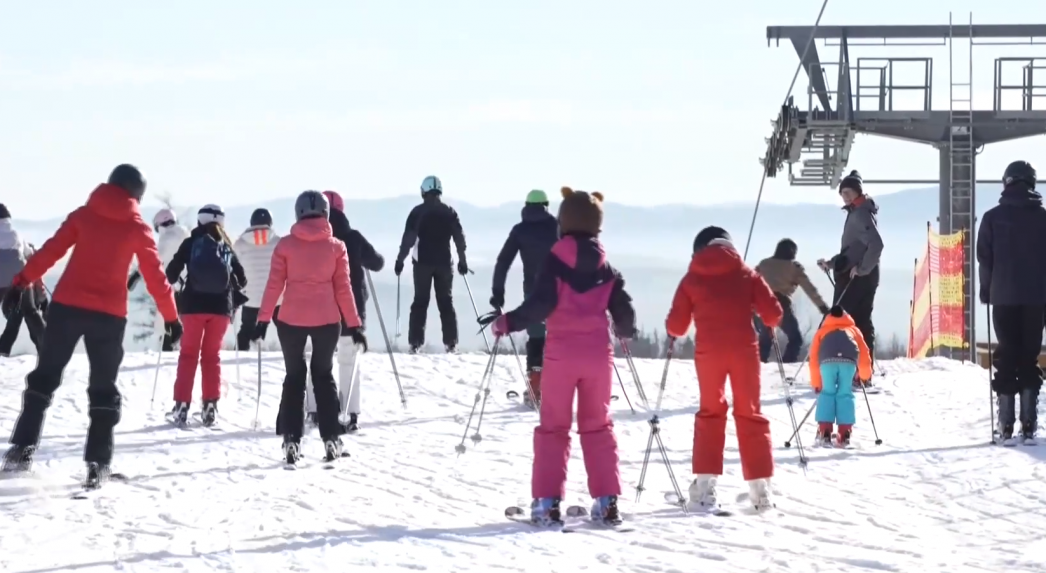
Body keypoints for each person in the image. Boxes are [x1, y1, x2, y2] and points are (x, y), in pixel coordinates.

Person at [0, 164, 182, 485]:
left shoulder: (83, 216)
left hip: (66, 308)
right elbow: (155, 277)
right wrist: (171, 318)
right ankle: (98, 466)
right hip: (109, 318)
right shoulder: (137, 228)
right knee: (103, 388)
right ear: (136, 196)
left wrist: (21, 283)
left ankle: (21, 451)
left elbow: (50, 251)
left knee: (44, 378)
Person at [483, 187, 636, 526]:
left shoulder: (555, 259)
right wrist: (626, 331)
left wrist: (507, 322)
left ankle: (547, 505)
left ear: (563, 221)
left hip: (561, 356)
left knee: (554, 428)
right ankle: (607, 503)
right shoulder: (604, 264)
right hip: (598, 357)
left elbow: (540, 305)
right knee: (598, 427)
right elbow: (623, 312)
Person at [665, 226, 782, 513]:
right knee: (749, 412)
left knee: (711, 411)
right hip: (745, 351)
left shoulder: (692, 277)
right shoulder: (748, 275)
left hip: (709, 353)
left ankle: (704, 489)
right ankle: (760, 490)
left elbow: (676, 326)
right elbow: (774, 315)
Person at [251, 191, 364, 464]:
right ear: (325, 213)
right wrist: (355, 325)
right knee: (323, 376)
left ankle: (291, 439)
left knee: (294, 377)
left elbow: (274, 285)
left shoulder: (286, 246)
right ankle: (331, 439)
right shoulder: (336, 247)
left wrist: (263, 320)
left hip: (290, 320)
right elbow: (344, 290)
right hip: (327, 321)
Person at [977, 160, 1046, 444]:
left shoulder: (992, 217)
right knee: (1029, 355)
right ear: (1031, 183)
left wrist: (986, 290)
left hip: (1003, 296)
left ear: (1007, 182)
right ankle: (1028, 422)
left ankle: (1004, 423)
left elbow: (985, 259)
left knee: (1006, 354)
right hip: (1037, 298)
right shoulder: (1044, 218)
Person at [303, 191, 383, 432]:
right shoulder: (353, 238)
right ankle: (350, 413)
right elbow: (377, 263)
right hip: (352, 311)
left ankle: (315, 410)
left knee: (318, 360)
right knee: (349, 361)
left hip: (320, 310)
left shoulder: (312, 239)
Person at [164, 204, 247, 427]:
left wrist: (181, 282)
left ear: (200, 221)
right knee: (211, 356)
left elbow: (170, 273)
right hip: (221, 309)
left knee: (188, 355)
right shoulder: (226, 246)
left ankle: (182, 405)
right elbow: (243, 279)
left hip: (193, 307)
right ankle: (210, 404)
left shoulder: (191, 242)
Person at [490, 189, 559, 408]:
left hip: (533, 292)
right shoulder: (558, 227)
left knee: (536, 336)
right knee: (559, 336)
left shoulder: (520, 230)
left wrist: (497, 294)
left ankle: (535, 385)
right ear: (546, 205)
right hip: (560, 291)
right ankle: (560, 385)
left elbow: (503, 262)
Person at [816, 170, 883, 391]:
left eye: (847, 191)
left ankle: (841, 370)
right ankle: (862, 372)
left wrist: (861, 269)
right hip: (860, 276)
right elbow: (854, 250)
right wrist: (833, 263)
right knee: (861, 322)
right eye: (842, 192)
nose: (844, 196)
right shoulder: (858, 211)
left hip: (859, 279)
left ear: (857, 191)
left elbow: (876, 244)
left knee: (843, 322)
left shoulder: (861, 214)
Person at [393, 175, 468, 353]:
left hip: (422, 264)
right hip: (444, 263)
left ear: (423, 191)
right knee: (446, 302)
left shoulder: (417, 212)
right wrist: (462, 260)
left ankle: (415, 343)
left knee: (420, 302)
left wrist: (400, 260)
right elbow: (459, 238)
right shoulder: (449, 211)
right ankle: (451, 343)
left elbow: (408, 239)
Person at [754, 238, 829, 363]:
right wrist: (822, 307)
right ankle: (788, 363)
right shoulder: (794, 268)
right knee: (795, 338)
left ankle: (759, 366)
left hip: (761, 303)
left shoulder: (764, 264)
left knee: (766, 339)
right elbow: (809, 288)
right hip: (781, 303)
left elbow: (751, 280)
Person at [808, 305, 873, 447]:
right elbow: (864, 353)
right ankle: (845, 432)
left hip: (827, 362)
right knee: (845, 393)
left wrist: (817, 383)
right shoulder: (853, 330)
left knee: (828, 392)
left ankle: (824, 429)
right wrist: (864, 375)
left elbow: (813, 358)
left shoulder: (822, 331)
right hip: (848, 362)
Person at [129, 208, 192, 351]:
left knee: (169, 320)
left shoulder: (169, 238)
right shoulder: (185, 234)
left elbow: (154, 259)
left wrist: (136, 275)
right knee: (185, 321)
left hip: (177, 285)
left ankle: (168, 348)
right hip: (189, 284)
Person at [233, 208, 281, 351]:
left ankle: (241, 353)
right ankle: (293, 354)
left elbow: (234, 268)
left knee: (246, 328)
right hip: (275, 296)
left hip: (251, 296)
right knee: (285, 327)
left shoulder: (240, 243)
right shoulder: (278, 242)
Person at [0, 215, 46, 355]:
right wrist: (40, 291)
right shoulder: (17, 234)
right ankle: (48, 345)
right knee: (30, 311)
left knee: (16, 314)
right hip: (21, 279)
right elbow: (30, 255)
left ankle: (3, 349)